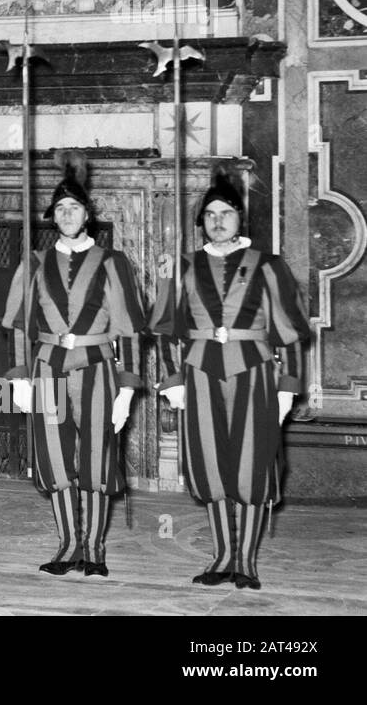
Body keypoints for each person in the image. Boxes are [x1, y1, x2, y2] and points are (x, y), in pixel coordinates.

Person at [152, 169, 311, 590]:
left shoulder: (269, 266)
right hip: (200, 374)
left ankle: (247, 560)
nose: (218, 221)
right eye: (209, 215)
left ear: (241, 218)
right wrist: (173, 382)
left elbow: (289, 332)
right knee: (213, 466)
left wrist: (287, 389)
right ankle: (223, 554)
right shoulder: (183, 266)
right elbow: (169, 329)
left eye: (226, 213)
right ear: (200, 222)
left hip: (254, 373)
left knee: (252, 466)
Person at [2, 153, 146, 578]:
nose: (67, 215)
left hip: (98, 369)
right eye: (60, 209)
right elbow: (18, 325)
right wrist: (19, 378)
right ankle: (67, 544)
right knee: (55, 456)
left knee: (98, 457)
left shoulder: (111, 262)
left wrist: (126, 388)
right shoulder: (34, 263)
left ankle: (95, 548)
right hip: (47, 368)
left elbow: (130, 328)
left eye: (75, 208)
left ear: (88, 215)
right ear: (53, 217)